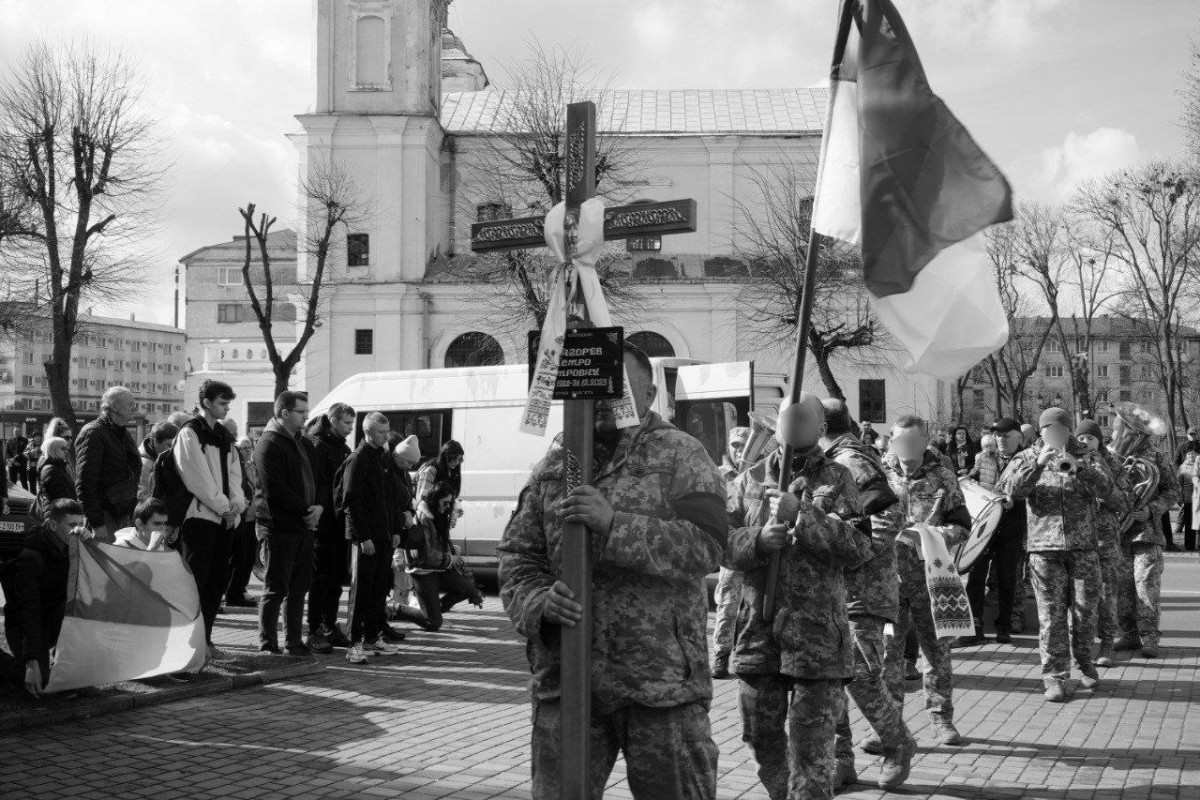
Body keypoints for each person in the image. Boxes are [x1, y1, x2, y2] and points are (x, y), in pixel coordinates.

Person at [499, 342, 726, 800]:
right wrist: (539, 603)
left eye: (616, 385)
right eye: (593, 385)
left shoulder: (681, 454)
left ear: (648, 393)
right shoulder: (554, 466)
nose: (602, 395)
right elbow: (517, 557)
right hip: (567, 682)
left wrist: (615, 526)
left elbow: (707, 547)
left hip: (660, 685)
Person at [725, 393, 873, 799]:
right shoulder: (751, 478)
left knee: (812, 753)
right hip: (759, 631)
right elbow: (717, 541)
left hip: (817, 638)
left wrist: (803, 516)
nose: (791, 424)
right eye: (785, 417)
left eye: (802, 418)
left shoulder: (838, 479)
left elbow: (859, 547)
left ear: (821, 429)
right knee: (760, 735)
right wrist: (755, 541)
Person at [819, 399, 914, 792]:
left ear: (820, 423)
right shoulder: (826, 459)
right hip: (834, 589)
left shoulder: (852, 460)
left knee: (857, 674)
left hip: (862, 589)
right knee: (830, 677)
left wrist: (854, 555)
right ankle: (842, 759)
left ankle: (897, 742)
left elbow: (889, 515)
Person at [997, 407, 1113, 702]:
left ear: (1069, 431)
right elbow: (1009, 491)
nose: (1057, 435)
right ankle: (1055, 676)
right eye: (1050, 430)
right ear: (1041, 431)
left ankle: (1084, 662)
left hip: (1083, 547)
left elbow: (1108, 489)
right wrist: (1038, 464)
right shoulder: (1025, 456)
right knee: (1051, 616)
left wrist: (1080, 467)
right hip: (1044, 549)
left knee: (1086, 611)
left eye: (1062, 430)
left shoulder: (1088, 454)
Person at [881, 415, 971, 745]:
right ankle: (889, 727)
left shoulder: (943, 477)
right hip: (887, 583)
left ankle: (941, 720)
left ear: (923, 442)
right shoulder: (878, 474)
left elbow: (963, 526)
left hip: (929, 581)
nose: (904, 448)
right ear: (891, 442)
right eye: (898, 441)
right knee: (887, 654)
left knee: (936, 652)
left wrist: (929, 535)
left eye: (911, 441)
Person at [175, 380, 246, 663]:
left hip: (224, 520)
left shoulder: (224, 437)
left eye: (228, 403)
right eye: (221, 402)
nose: (226, 408)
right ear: (206, 402)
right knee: (196, 583)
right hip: (200, 519)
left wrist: (236, 505)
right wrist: (225, 506)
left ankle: (205, 641)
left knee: (216, 583)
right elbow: (197, 478)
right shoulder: (191, 432)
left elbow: (236, 475)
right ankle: (190, 646)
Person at [253, 391, 321, 657]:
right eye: (301, 412)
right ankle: (268, 642)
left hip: (305, 525)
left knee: (299, 587)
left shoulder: (303, 442)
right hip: (279, 526)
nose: (306, 416)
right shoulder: (269, 444)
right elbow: (274, 489)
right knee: (275, 587)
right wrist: (307, 510)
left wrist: (320, 507)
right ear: (284, 413)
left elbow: (319, 478)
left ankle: (293, 641)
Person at [1110, 405, 1180, 659]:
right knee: (1122, 586)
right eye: (1118, 428)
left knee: (1145, 586)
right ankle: (1127, 635)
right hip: (1118, 533)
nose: (1115, 432)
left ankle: (1149, 637)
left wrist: (1151, 509)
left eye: (1119, 428)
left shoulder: (1157, 458)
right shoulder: (1109, 457)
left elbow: (1173, 491)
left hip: (1147, 533)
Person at [0, 499, 89, 696]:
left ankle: (58, 660)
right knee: (40, 687)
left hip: (55, 620)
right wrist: (32, 662)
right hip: (25, 627)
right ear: (52, 525)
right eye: (72, 525)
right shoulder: (30, 558)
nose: (77, 530)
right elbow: (29, 612)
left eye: (81, 525)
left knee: (77, 682)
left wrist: (89, 545)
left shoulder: (75, 547)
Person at [340, 412, 400, 664]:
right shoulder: (358, 459)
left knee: (379, 589)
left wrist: (395, 530)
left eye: (387, 432)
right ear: (367, 432)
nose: (386, 437)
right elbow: (351, 502)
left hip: (385, 537)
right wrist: (363, 536)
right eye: (381, 433)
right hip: (366, 539)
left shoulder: (383, 458)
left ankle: (373, 636)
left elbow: (390, 498)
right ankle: (353, 643)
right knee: (361, 591)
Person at [964, 418, 1027, 645]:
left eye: (1006, 435)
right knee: (976, 576)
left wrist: (1016, 502)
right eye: (998, 436)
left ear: (1018, 437)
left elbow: (1033, 492)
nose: (1000, 440)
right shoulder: (984, 457)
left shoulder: (1026, 460)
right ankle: (975, 626)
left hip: (1011, 526)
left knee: (1007, 577)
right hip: (985, 527)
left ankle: (1004, 626)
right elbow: (973, 477)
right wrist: (966, 482)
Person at [391, 480, 483, 632]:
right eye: (445, 503)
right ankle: (396, 608)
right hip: (423, 570)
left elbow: (441, 541)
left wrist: (453, 554)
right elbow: (427, 554)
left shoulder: (440, 514)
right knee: (433, 624)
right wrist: (449, 559)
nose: (447, 507)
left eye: (449, 504)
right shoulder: (423, 517)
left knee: (469, 588)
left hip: (439, 568)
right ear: (435, 499)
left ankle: (433, 610)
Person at [1075, 420, 1129, 669]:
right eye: (1081, 438)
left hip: (1105, 538)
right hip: (1078, 538)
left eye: (1090, 438)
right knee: (1078, 597)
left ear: (1100, 441)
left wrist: (1102, 491)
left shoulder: (1113, 464)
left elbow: (1123, 501)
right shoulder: (1070, 461)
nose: (1085, 442)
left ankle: (1107, 643)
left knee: (1107, 593)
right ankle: (1080, 648)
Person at [305, 404, 355, 653]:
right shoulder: (319, 446)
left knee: (335, 580)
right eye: (346, 423)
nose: (350, 428)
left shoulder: (343, 447)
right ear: (333, 421)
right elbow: (320, 484)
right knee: (320, 579)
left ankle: (329, 625)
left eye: (352, 423)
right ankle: (314, 629)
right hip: (324, 524)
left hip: (339, 523)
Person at [75, 387, 142, 542]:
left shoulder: (121, 432)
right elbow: (85, 483)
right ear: (114, 406)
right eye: (130, 403)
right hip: (105, 517)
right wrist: (97, 524)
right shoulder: (93, 433)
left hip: (122, 513)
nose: (135, 407)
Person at [712, 426, 751, 679]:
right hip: (730, 548)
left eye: (744, 445)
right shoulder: (718, 474)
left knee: (751, 605)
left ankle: (744, 654)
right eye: (735, 445)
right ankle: (720, 655)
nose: (739, 450)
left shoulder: (758, 474)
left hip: (754, 545)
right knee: (727, 604)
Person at [385, 434, 421, 637]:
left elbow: (408, 498)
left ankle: (393, 611)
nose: (410, 467)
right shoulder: (389, 471)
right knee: (397, 566)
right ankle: (392, 611)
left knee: (401, 567)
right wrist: (403, 515)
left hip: (399, 531)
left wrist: (409, 512)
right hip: (390, 531)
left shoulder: (402, 473)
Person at [225, 432, 258, 607]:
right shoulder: (235, 466)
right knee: (238, 556)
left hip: (253, 517)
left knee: (249, 556)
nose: (246, 451)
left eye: (248, 448)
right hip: (240, 517)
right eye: (242, 448)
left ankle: (240, 589)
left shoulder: (254, 466)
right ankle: (232, 592)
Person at [416, 440, 464, 523]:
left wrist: (452, 510)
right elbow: (422, 498)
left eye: (460, 459)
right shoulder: (430, 470)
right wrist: (434, 517)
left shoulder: (452, 472)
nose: (456, 462)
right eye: (453, 459)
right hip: (428, 517)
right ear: (445, 457)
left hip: (439, 517)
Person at [138, 422, 179, 501]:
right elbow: (143, 499)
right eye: (169, 445)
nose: (172, 450)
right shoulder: (144, 465)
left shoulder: (160, 457)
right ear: (156, 442)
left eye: (175, 445)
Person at [36, 436, 77, 516]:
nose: (66, 451)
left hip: (62, 512)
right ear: (53, 450)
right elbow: (60, 497)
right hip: (58, 515)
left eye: (66, 448)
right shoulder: (51, 470)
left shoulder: (59, 466)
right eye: (63, 448)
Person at [1174, 427, 1200, 551]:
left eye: (1194, 434)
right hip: (1187, 497)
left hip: (1198, 496)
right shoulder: (1181, 448)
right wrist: (1179, 498)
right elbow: (1178, 483)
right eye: (1190, 434)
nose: (1192, 436)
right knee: (1188, 521)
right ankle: (1189, 545)